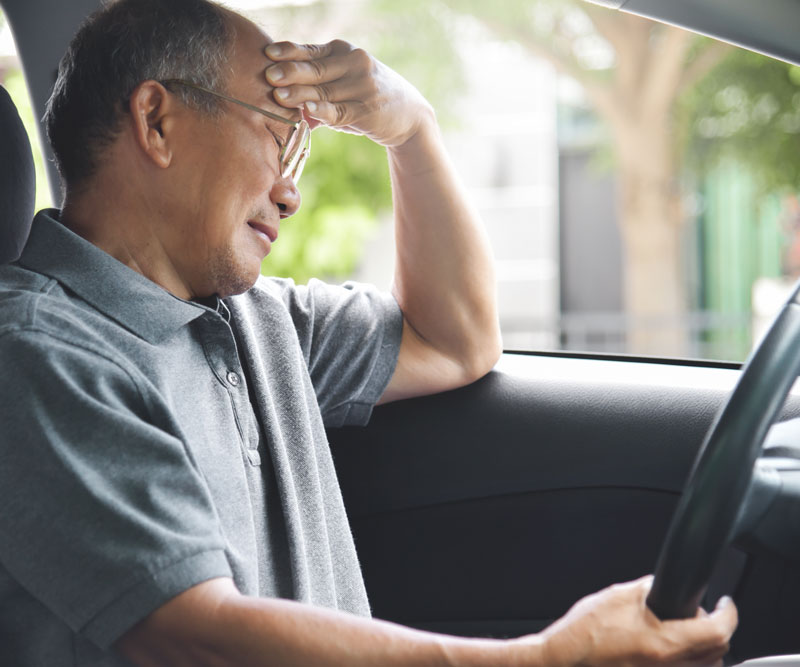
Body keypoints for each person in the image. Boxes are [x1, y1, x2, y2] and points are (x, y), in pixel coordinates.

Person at [0, 0, 737, 664]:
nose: (290, 193)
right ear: (157, 122)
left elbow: (456, 341)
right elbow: (197, 634)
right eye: (276, 135)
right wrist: (546, 659)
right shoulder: (35, 354)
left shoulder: (257, 319)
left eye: (300, 155)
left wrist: (412, 131)